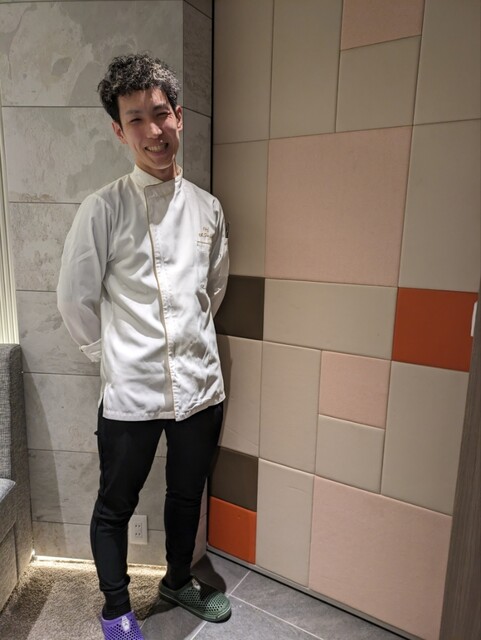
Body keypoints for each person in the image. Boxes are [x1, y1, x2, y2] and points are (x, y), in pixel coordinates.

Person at [57, 53, 230, 640]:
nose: (153, 131)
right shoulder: (102, 208)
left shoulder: (208, 207)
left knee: (186, 496)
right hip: (130, 392)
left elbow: (212, 290)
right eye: (136, 119)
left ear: (179, 116)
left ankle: (178, 580)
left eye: (161, 114)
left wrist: (189, 346)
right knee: (115, 505)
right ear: (119, 130)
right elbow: (74, 299)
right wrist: (110, 359)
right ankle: (115, 609)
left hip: (199, 389)